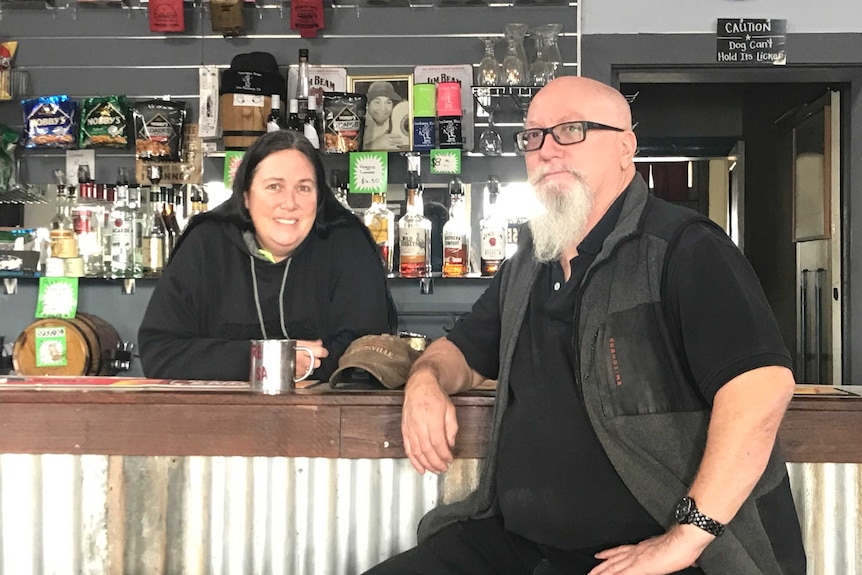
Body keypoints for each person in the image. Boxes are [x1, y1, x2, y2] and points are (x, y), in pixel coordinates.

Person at [365, 76, 805, 575]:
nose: (546, 150)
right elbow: (462, 351)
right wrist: (424, 381)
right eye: (533, 136)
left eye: (570, 130)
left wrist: (683, 539)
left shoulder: (685, 248)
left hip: (654, 555)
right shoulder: (529, 262)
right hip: (520, 544)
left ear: (625, 148)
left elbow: (761, 387)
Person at [139, 130, 397, 382]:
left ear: (319, 198)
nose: (289, 202)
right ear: (246, 196)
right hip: (219, 419)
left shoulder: (347, 243)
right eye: (274, 186)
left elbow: (367, 354)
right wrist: (271, 359)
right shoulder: (206, 243)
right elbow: (159, 353)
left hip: (327, 418)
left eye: (304, 188)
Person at [363, 81, 410, 151]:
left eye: (388, 102)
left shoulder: (398, 123)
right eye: (377, 102)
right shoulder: (358, 125)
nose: (383, 108)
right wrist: (373, 146)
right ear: (367, 105)